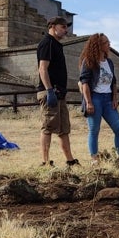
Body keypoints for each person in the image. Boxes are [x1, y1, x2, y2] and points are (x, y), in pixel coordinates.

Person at [36, 16, 79, 167]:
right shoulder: (47, 43)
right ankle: (45, 162)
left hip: (59, 93)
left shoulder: (57, 45)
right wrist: (49, 90)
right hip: (49, 92)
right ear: (53, 26)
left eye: (66, 27)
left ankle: (70, 160)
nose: (66, 30)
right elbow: (42, 68)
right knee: (48, 127)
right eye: (63, 27)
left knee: (63, 129)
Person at [78, 33, 119, 164]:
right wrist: (88, 102)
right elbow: (85, 83)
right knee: (94, 129)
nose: (109, 44)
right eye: (106, 42)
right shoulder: (89, 61)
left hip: (108, 99)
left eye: (108, 42)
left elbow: (114, 81)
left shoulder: (109, 62)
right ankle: (94, 159)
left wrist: (115, 98)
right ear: (98, 45)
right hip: (95, 98)